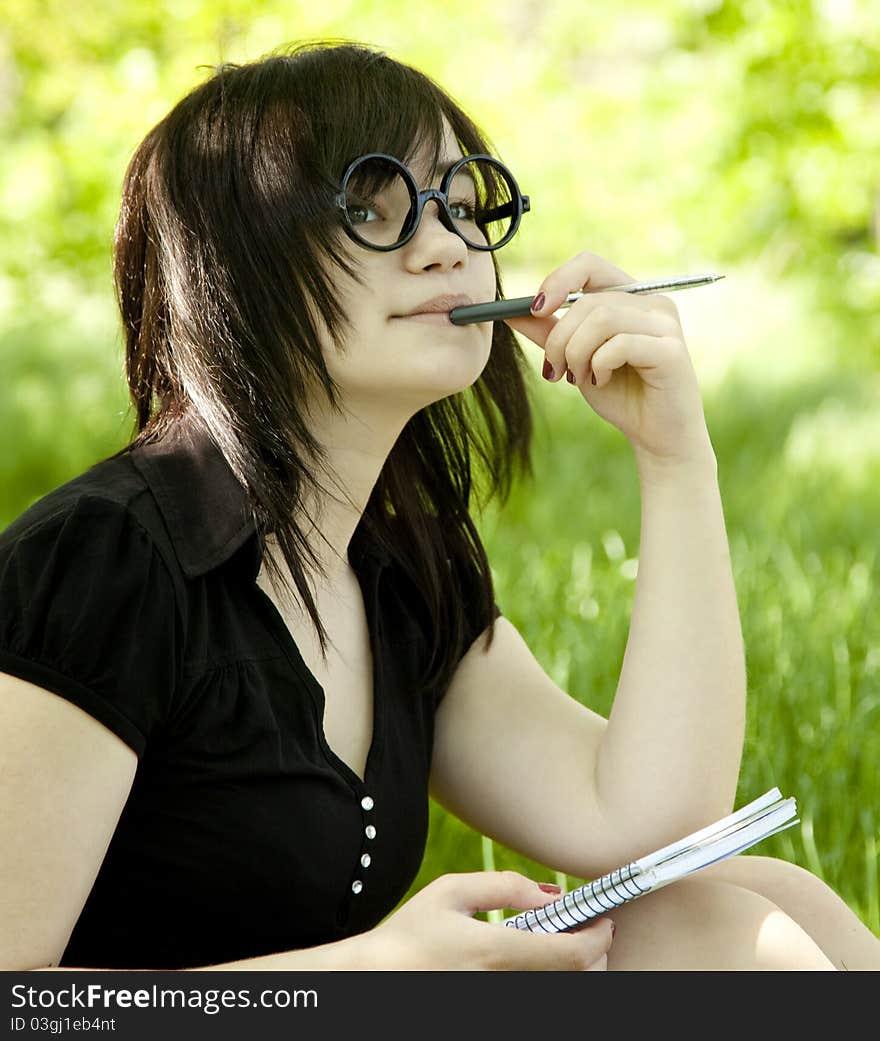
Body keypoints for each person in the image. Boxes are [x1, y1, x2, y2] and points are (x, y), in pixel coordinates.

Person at [1, 40, 877, 973]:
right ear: (234, 267)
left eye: (462, 206)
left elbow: (645, 819)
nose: (448, 246)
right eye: (372, 208)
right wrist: (379, 972)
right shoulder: (102, 562)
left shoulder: (399, 573)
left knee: (763, 901)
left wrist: (674, 458)